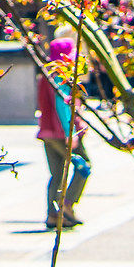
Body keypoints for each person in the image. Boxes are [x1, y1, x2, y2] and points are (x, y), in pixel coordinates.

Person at [35, 37, 90, 230]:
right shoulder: (61, 75)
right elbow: (63, 104)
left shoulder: (44, 75)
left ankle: (52, 215)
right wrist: (71, 132)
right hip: (61, 133)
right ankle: (66, 205)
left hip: (46, 131)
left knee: (57, 174)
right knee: (84, 165)